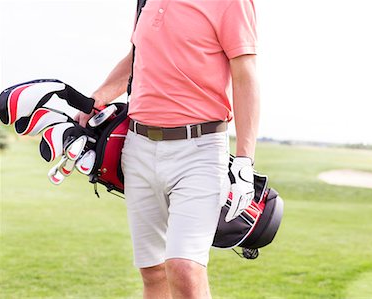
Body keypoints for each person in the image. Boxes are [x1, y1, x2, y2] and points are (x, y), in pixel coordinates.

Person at [77, 0, 259, 298]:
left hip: (199, 150)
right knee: (152, 271)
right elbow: (138, 57)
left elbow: (245, 73)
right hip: (138, 148)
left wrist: (244, 160)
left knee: (185, 267)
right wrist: (96, 98)